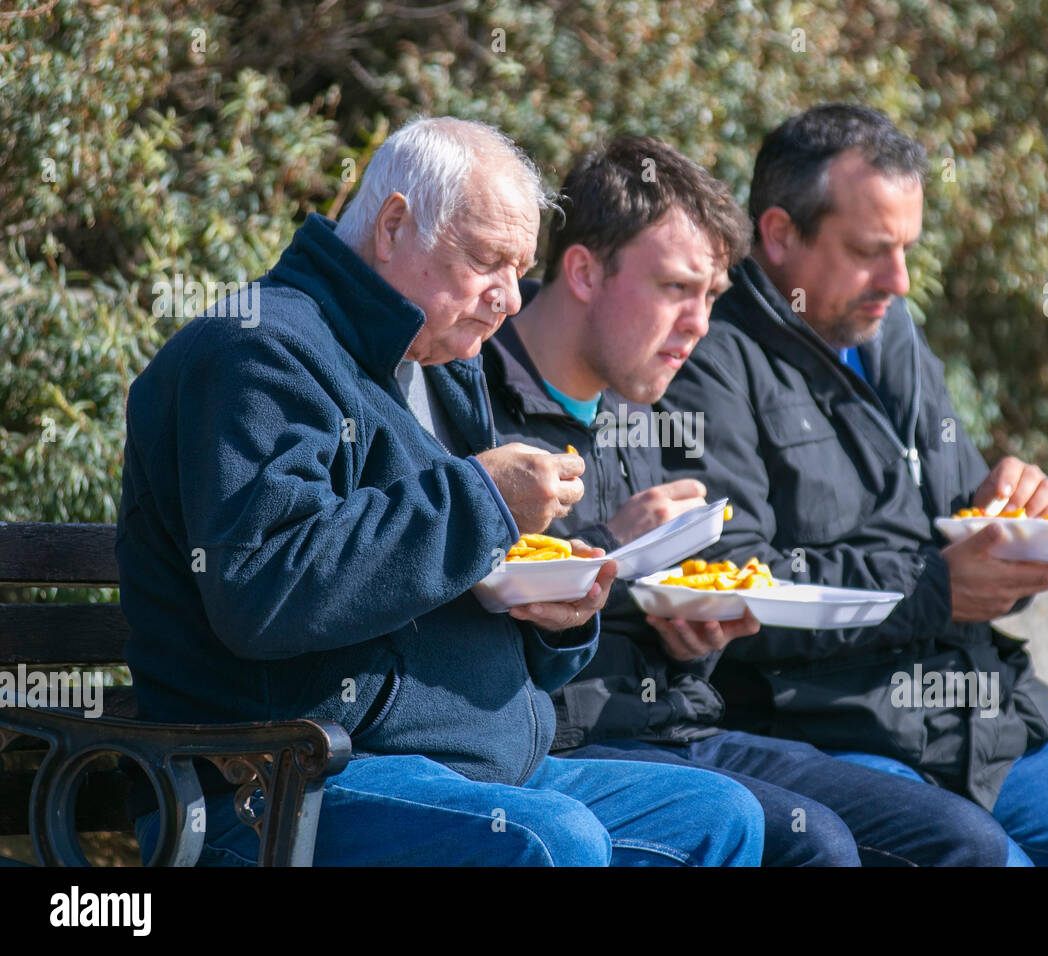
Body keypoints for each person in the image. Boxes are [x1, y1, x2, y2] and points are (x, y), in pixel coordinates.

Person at [118, 115, 764, 867]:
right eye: (489, 260)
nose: (511, 299)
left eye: (520, 269)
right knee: (551, 841)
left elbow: (441, 567)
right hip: (284, 783)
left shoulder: (439, 364)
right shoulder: (259, 349)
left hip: (483, 770)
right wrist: (482, 502)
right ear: (393, 226)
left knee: (721, 815)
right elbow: (263, 589)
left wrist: (553, 614)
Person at [659, 103, 1048, 866]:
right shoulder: (708, 361)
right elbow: (731, 583)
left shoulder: (889, 328)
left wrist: (1015, 518)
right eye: (870, 251)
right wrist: (938, 588)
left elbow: (961, 523)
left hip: (992, 736)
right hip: (835, 743)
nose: (897, 279)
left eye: (905, 249)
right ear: (779, 233)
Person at [483, 134, 1030, 866]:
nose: (699, 324)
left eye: (711, 296)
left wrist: (693, 637)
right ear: (582, 271)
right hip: (567, 742)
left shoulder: (641, 403)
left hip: (684, 729)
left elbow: (685, 603)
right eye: (677, 288)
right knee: (819, 848)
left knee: (962, 842)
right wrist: (609, 552)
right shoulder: (473, 392)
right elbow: (460, 595)